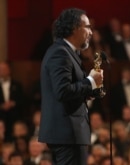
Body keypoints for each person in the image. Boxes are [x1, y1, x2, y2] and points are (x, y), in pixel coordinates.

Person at [38, 8, 104, 165]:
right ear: (75, 28)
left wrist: (88, 91)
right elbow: (62, 91)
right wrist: (90, 81)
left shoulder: (67, 52)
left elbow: (67, 89)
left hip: (67, 133)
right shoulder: (60, 52)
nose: (91, 32)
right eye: (87, 27)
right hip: (67, 134)